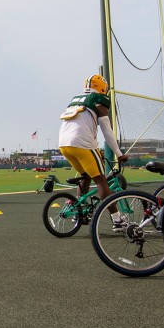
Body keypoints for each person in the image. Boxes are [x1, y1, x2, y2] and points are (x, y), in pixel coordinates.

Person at [57, 74, 129, 222]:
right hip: (82, 144)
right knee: (101, 181)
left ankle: (78, 212)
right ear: (103, 87)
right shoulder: (99, 102)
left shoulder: (76, 100)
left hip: (64, 144)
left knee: (85, 175)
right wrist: (119, 153)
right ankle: (117, 219)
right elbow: (107, 131)